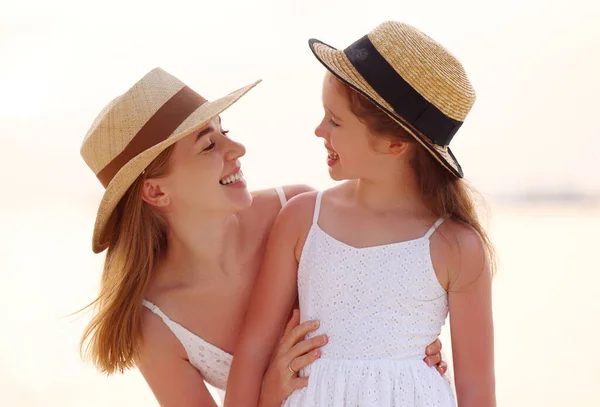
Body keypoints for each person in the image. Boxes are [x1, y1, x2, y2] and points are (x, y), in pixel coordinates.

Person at [78, 67, 447, 407]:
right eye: (208, 146)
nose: (236, 150)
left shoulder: (298, 211)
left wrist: (416, 350)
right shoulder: (156, 326)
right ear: (156, 193)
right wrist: (269, 394)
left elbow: (390, 299)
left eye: (225, 132)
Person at [225, 21, 496, 407]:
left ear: (395, 143)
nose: (319, 129)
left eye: (335, 121)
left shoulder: (457, 246)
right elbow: (252, 351)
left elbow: (478, 393)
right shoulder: (303, 219)